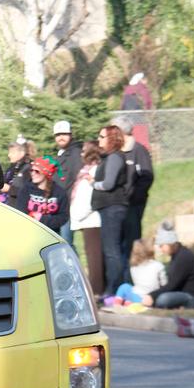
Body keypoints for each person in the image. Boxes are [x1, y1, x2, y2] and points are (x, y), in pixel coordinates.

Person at [113, 116, 154, 281]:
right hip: (117, 206)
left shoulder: (139, 151)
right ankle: (120, 280)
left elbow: (147, 178)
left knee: (131, 243)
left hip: (133, 205)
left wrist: (132, 196)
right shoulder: (117, 152)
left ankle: (132, 279)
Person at [90, 125, 129, 296]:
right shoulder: (109, 157)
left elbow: (108, 184)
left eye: (101, 136)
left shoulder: (114, 157)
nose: (98, 139)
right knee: (112, 250)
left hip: (113, 208)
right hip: (108, 208)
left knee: (112, 251)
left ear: (111, 139)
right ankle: (115, 288)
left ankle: (114, 290)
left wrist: (93, 183)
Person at [140, 223, 194, 309]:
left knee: (163, 299)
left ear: (170, 243)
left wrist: (152, 296)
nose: (161, 249)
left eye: (162, 246)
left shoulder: (183, 257)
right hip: (180, 293)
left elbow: (172, 285)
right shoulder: (177, 255)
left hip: (191, 297)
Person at [69, 141, 104, 296]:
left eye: (84, 151)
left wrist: (78, 214)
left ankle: (96, 290)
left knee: (94, 256)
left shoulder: (95, 170)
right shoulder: (86, 170)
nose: (81, 154)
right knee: (90, 254)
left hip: (91, 219)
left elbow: (91, 197)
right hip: (84, 220)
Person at [14, 156, 69, 232]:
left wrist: (42, 219)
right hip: (29, 231)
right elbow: (20, 212)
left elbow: (63, 217)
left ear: (46, 173)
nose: (33, 173)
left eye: (36, 171)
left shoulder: (59, 192)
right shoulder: (26, 189)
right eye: (31, 170)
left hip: (51, 234)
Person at [51, 120, 83, 245]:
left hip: (68, 205)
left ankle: (74, 265)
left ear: (70, 134)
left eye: (64, 134)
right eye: (58, 135)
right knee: (60, 243)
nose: (61, 137)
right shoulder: (61, 154)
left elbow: (77, 180)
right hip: (58, 205)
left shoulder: (75, 153)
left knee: (66, 244)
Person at [107, 239, 166, 305]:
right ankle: (130, 302)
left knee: (124, 286)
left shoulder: (133, 266)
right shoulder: (158, 265)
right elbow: (164, 284)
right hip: (151, 297)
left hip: (136, 295)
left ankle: (118, 303)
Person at [0, 139, 31, 207]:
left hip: (19, 208)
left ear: (22, 153)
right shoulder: (11, 168)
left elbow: (29, 191)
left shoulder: (29, 169)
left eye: (12, 153)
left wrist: (9, 189)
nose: (9, 155)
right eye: (9, 152)